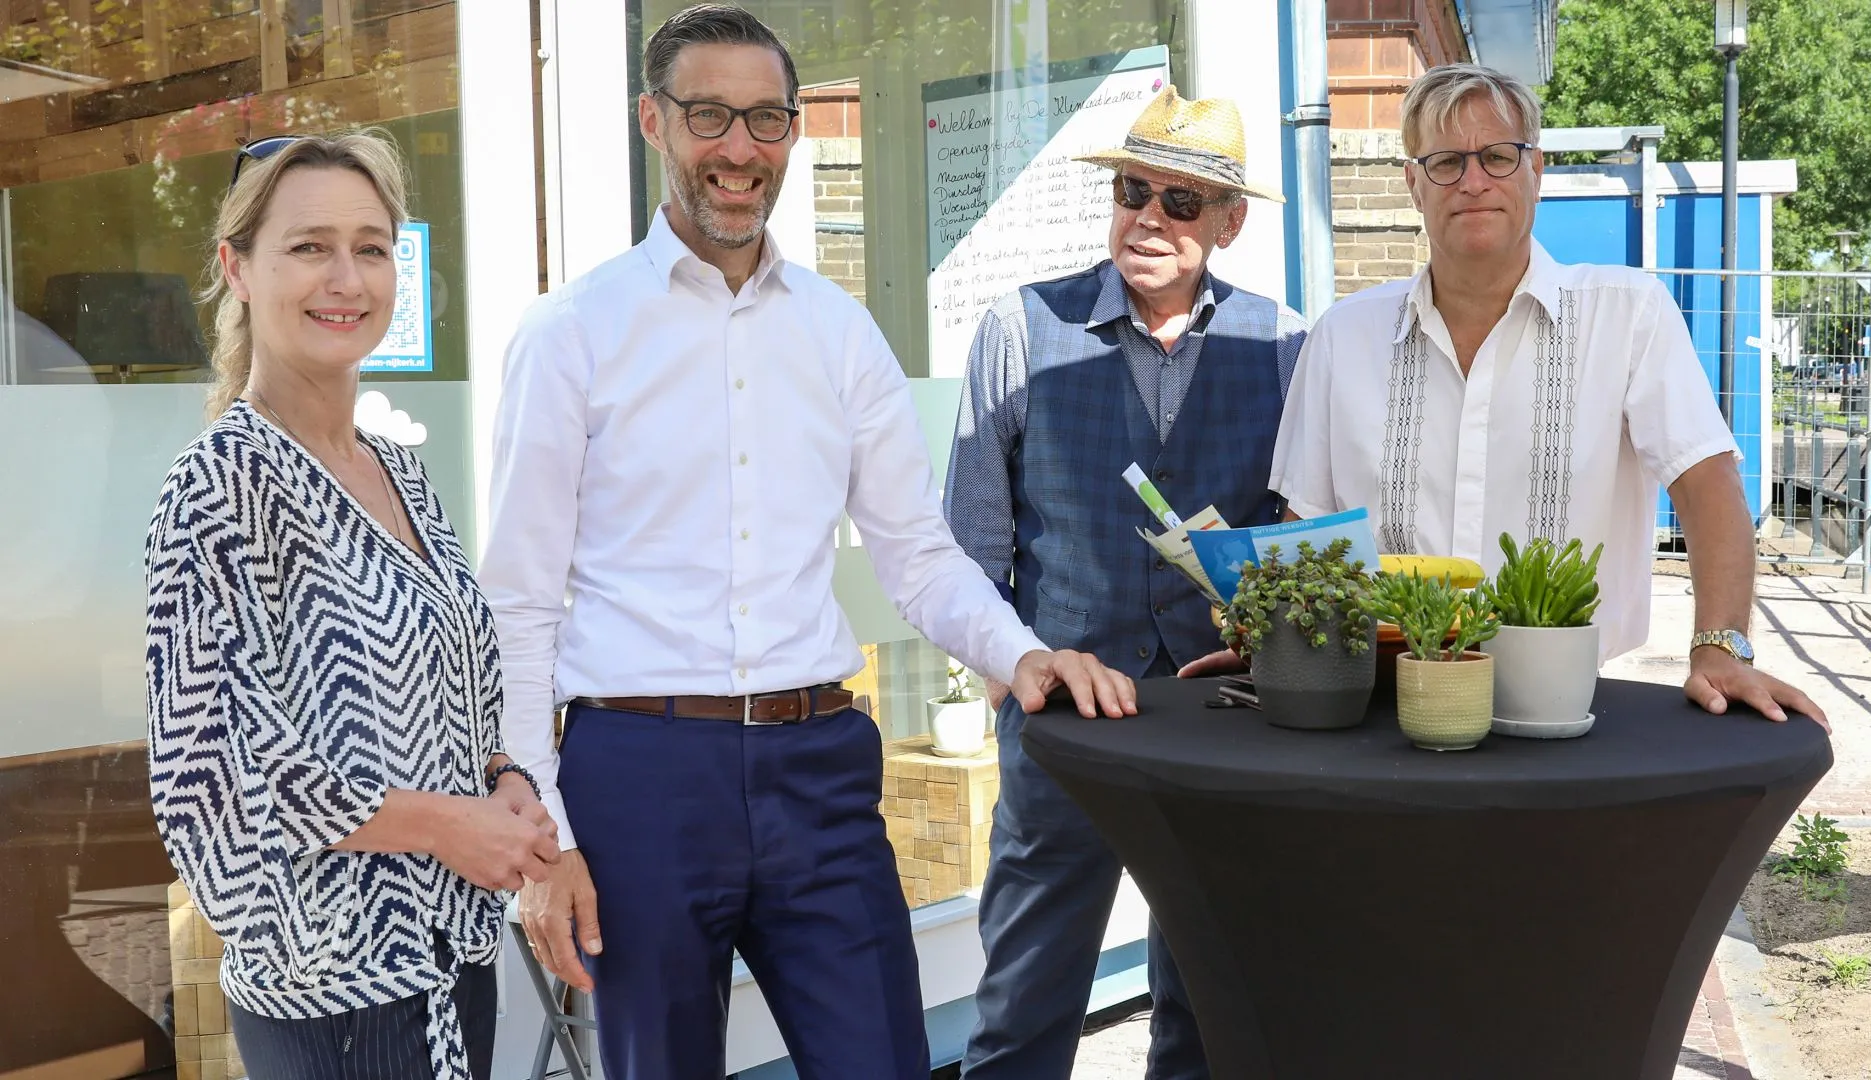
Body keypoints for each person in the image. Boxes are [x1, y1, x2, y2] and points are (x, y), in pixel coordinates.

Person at [479, 6, 1137, 1078]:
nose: (739, 150)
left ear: (794, 132)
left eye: (767, 119)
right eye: (708, 116)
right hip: (639, 777)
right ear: (654, 121)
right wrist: (543, 831)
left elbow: (917, 555)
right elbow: (517, 601)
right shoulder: (572, 335)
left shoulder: (839, 333)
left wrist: (1022, 655)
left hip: (818, 772)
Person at [1194, 63, 1826, 729]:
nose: (1473, 181)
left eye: (1498, 156)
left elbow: (1707, 483)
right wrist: (1277, 651)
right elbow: (1306, 532)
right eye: (1445, 162)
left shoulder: (1627, 314)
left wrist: (1720, 647)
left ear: (1536, 170)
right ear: (1413, 183)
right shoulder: (1343, 336)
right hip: (1381, 710)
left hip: (1564, 709)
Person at [144, 132, 560, 1080]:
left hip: (452, 968)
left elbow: (456, 698)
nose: (346, 277)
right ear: (236, 267)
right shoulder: (221, 485)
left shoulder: (401, 474)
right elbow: (205, 783)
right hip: (332, 997)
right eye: (309, 246)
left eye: (372, 248)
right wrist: (449, 828)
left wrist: (503, 783)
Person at [944, 84, 1305, 1079]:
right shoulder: (1019, 330)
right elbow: (968, 549)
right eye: (1133, 191)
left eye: (1181, 202)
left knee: (1204, 1014)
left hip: (1218, 723)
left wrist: (1272, 642)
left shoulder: (1283, 347)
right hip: (1062, 726)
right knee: (1023, 1014)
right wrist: (1014, 672)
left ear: (1228, 224)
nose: (1148, 217)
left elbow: (1300, 543)